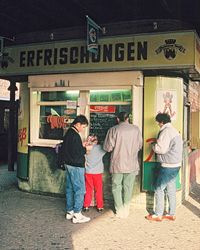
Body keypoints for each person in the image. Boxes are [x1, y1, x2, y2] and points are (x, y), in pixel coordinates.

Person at [103, 112, 142, 218]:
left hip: (117, 164)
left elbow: (107, 148)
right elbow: (140, 145)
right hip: (132, 164)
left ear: (117, 119)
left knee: (116, 187)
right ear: (128, 118)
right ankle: (126, 209)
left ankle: (119, 211)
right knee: (128, 187)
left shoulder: (113, 130)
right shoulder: (136, 130)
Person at [145, 113, 183, 222]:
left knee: (158, 188)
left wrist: (153, 146)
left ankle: (158, 214)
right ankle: (172, 214)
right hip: (176, 165)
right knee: (171, 188)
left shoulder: (166, 132)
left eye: (158, 122)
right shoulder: (174, 130)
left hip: (167, 165)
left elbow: (161, 149)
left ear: (161, 122)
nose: (157, 124)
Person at [61, 115, 90, 224]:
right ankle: (77, 214)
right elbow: (78, 153)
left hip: (68, 164)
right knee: (80, 190)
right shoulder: (75, 135)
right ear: (78, 124)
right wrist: (86, 149)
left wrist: (81, 146)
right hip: (76, 166)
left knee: (70, 188)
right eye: (83, 126)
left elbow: (71, 149)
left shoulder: (69, 133)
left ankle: (70, 212)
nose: (83, 129)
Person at [83, 134, 106, 212]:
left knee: (88, 189)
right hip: (97, 173)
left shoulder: (85, 148)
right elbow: (108, 148)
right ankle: (100, 206)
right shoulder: (100, 148)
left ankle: (86, 205)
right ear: (96, 141)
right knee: (98, 190)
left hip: (88, 172)